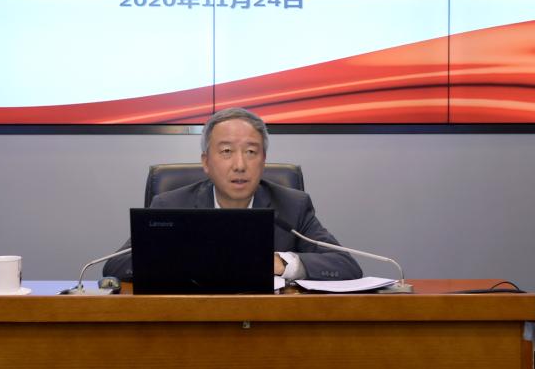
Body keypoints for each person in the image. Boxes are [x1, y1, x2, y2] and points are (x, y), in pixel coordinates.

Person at [103, 107, 362, 282]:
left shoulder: (292, 207)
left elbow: (346, 265)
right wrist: (187, 258)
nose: (240, 165)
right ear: (206, 162)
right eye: (226, 151)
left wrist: (282, 264)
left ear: (263, 160)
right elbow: (115, 266)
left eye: (251, 152)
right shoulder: (170, 204)